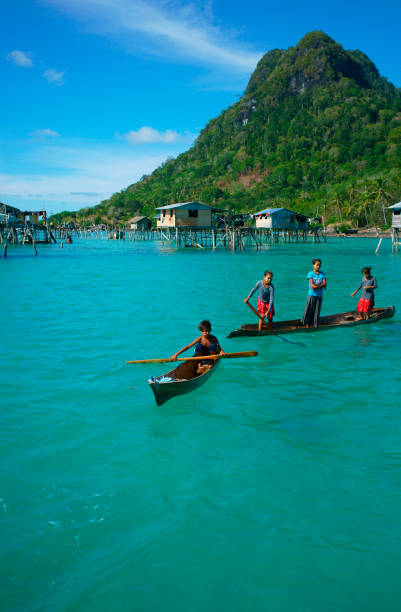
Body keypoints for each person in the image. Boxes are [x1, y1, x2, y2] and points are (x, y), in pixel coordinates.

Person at [301, 259, 326, 328]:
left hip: (319, 295)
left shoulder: (322, 273)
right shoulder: (310, 273)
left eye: (319, 265)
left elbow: (325, 284)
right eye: (317, 265)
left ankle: (314, 324)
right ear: (313, 265)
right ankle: (306, 323)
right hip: (312, 295)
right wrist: (321, 285)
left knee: (317, 310)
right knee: (309, 309)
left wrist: (317, 286)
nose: (318, 266)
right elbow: (312, 286)